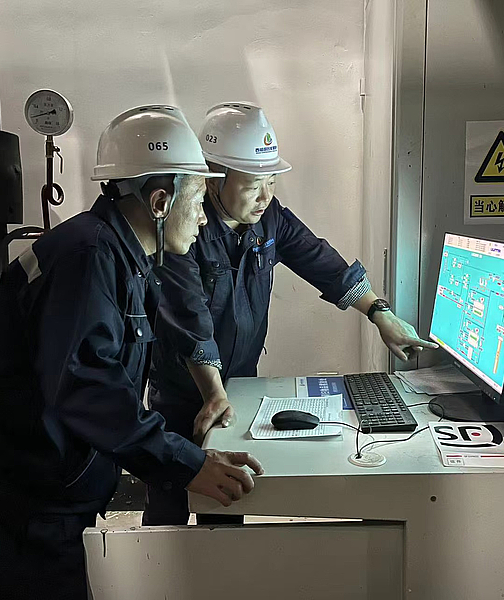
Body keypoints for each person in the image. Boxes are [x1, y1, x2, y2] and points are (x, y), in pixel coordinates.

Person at [0, 105, 263, 600]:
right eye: (197, 199)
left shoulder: (119, 256)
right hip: (26, 512)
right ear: (160, 201)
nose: (204, 217)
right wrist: (185, 464)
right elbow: (89, 387)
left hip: (42, 500)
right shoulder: (88, 260)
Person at [144, 102, 434, 526]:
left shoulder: (269, 219)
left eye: (272, 181)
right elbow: (190, 317)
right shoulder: (185, 226)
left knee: (227, 499)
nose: (265, 196)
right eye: (253, 185)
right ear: (213, 177)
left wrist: (380, 313)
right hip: (183, 391)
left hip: (238, 385)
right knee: (168, 506)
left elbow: (320, 261)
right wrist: (212, 392)